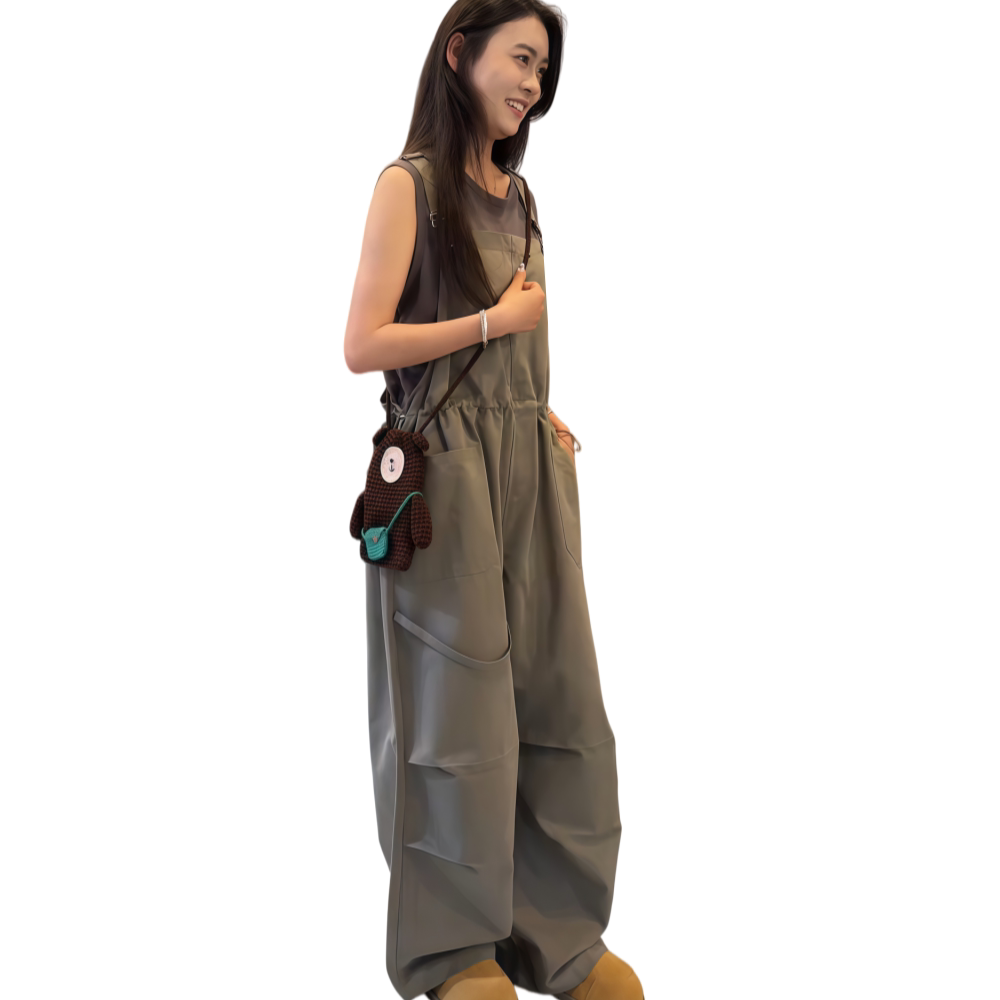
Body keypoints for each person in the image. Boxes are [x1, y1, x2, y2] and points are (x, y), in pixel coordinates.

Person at [344, 4, 643, 999]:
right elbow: (363, 344)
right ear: (459, 52)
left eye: (543, 68)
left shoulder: (521, 195)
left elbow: (518, 342)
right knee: (455, 712)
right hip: (445, 478)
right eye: (520, 58)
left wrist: (537, 409)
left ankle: (555, 934)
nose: (533, 83)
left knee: (558, 697)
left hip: (527, 468)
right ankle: (454, 949)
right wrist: (489, 324)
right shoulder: (409, 186)